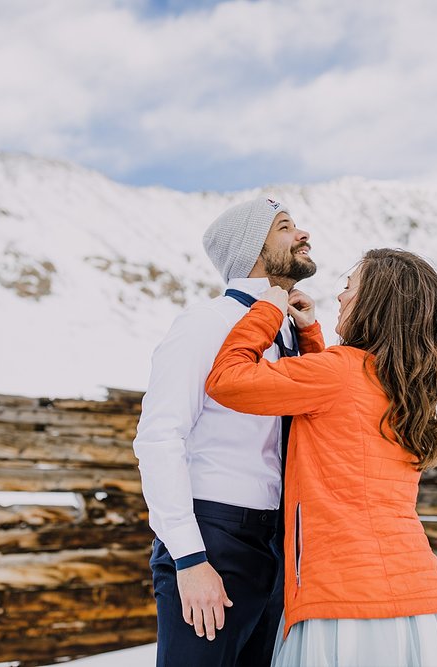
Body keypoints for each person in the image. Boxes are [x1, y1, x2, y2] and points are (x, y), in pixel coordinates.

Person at [205, 248, 437, 666]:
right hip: (418, 598)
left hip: (345, 602)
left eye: (349, 287)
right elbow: (330, 407)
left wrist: (265, 312)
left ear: (373, 301)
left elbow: (227, 380)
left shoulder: (340, 372)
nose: (339, 297)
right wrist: (312, 334)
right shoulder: (401, 382)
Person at [133, 197, 322, 667]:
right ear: (253, 247)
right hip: (213, 537)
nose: (303, 234)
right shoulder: (205, 324)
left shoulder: (291, 333)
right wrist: (190, 559)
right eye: (285, 226)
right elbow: (159, 438)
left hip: (275, 546)